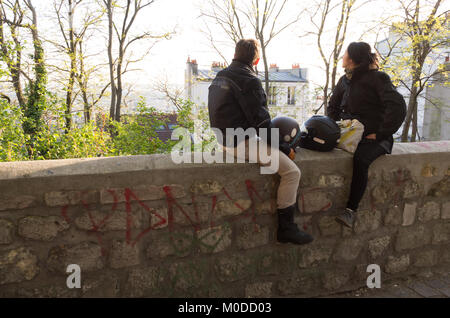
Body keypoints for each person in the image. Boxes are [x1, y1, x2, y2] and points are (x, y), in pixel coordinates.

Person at [207, 39, 313, 245]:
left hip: (223, 141)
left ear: (235, 54)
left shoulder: (220, 76)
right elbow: (262, 122)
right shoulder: (249, 80)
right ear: (256, 60)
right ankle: (286, 228)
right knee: (292, 172)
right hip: (241, 143)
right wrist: (283, 148)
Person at [328, 41, 407, 228]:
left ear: (353, 59)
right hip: (349, 136)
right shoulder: (344, 80)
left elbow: (397, 107)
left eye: (345, 54)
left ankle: (350, 211)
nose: (342, 57)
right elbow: (332, 106)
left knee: (361, 160)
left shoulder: (377, 78)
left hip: (375, 140)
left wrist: (381, 133)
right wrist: (335, 128)